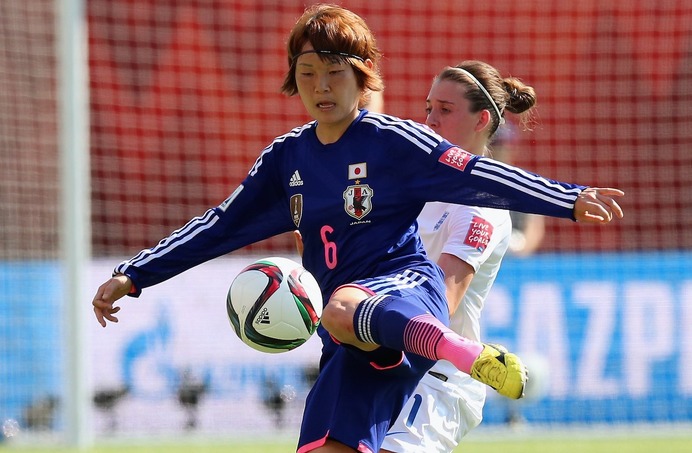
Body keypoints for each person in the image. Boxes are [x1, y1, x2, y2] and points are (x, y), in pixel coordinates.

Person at [91, 5, 624, 453]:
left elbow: (476, 173)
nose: (320, 88)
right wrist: (134, 274)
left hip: (410, 298)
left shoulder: (395, 142)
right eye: (307, 76)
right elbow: (219, 225)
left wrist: (569, 199)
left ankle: (468, 353)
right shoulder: (287, 160)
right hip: (349, 341)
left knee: (343, 304)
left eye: (334, 74)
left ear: (362, 76)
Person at [380, 61, 536, 453]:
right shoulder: (410, 182)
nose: (430, 120)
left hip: (437, 378)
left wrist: (359, 314)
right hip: (383, 362)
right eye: (428, 108)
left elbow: (440, 303)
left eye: (445, 111)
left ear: (481, 120)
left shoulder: (481, 205)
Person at [490, 123, 546, 256]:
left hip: (513, 258)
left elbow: (534, 229)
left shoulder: (524, 182)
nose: (496, 150)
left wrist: (520, 252)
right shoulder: (469, 178)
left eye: (501, 145)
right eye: (493, 145)